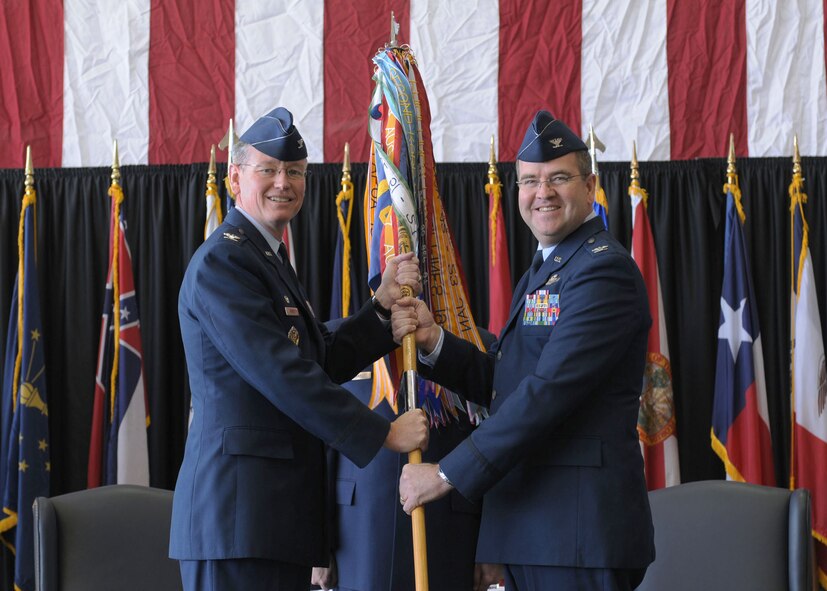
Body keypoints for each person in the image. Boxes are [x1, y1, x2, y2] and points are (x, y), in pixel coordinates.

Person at [169, 106, 429, 591]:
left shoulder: (266, 255)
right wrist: (383, 434)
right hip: (235, 521)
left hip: (271, 522)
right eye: (267, 169)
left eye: (294, 171)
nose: (281, 182)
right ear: (235, 177)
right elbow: (281, 372)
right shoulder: (224, 262)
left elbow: (316, 357)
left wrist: (380, 310)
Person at [393, 110, 655, 591]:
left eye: (559, 178)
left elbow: (546, 393)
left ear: (591, 185)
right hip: (535, 529)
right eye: (530, 181)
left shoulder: (603, 274)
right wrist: (435, 343)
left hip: (576, 534)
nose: (543, 193)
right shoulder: (546, 270)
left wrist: (446, 474)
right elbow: (507, 382)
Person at [311, 326, 500, 591]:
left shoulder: (474, 339)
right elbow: (318, 444)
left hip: (451, 531)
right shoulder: (338, 337)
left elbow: (497, 445)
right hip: (358, 530)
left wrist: (490, 548)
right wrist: (317, 543)